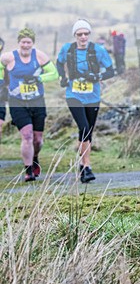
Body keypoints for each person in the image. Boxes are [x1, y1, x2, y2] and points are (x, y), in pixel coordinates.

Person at [56, 19, 116, 184]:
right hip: (73, 94)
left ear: (89, 35)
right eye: (79, 34)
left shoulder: (98, 50)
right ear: (75, 35)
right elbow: (59, 64)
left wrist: (97, 77)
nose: (83, 37)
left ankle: (82, 167)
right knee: (83, 127)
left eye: (86, 34)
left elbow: (111, 71)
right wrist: (62, 77)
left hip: (93, 96)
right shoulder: (67, 49)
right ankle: (87, 166)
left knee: (87, 132)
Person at [0, 28, 59, 182]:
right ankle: (28, 171)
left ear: (33, 43)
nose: (26, 45)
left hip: (37, 101)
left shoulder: (39, 56)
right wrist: (1, 81)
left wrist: (38, 79)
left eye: (29, 42)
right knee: (26, 136)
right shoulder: (8, 57)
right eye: (23, 42)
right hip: (17, 102)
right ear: (18, 42)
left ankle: (35, 157)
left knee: (37, 140)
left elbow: (54, 73)